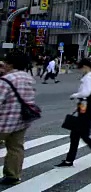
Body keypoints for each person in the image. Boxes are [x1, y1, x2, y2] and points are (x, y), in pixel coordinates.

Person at [55, 59, 91, 168]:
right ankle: (69, 160)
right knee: (75, 134)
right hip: (90, 108)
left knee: (84, 136)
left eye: (81, 68)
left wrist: (74, 95)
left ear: (85, 66)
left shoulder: (88, 78)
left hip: (85, 109)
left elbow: (86, 92)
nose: (80, 70)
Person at [0, 51, 37, 185]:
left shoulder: (6, 80)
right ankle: (13, 175)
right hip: (22, 120)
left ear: (10, 64)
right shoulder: (28, 78)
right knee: (16, 147)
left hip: (4, 122)